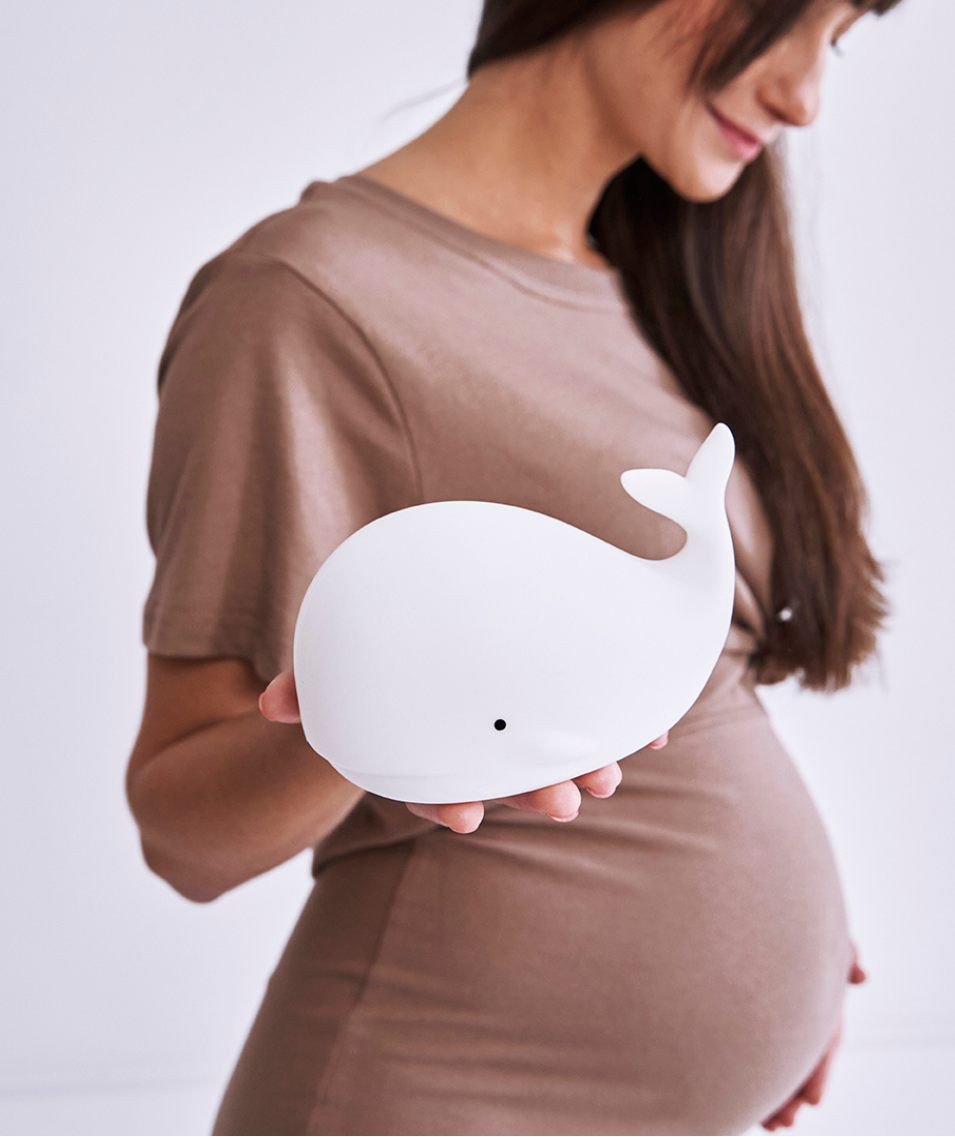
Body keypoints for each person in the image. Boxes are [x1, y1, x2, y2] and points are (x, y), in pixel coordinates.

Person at [125, 0, 902, 1132]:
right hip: (439, 1086)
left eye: (834, 40)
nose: (803, 94)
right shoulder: (307, 300)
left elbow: (699, 706)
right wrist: (369, 725)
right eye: (786, 16)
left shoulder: (661, 281)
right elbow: (180, 831)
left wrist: (770, 946)